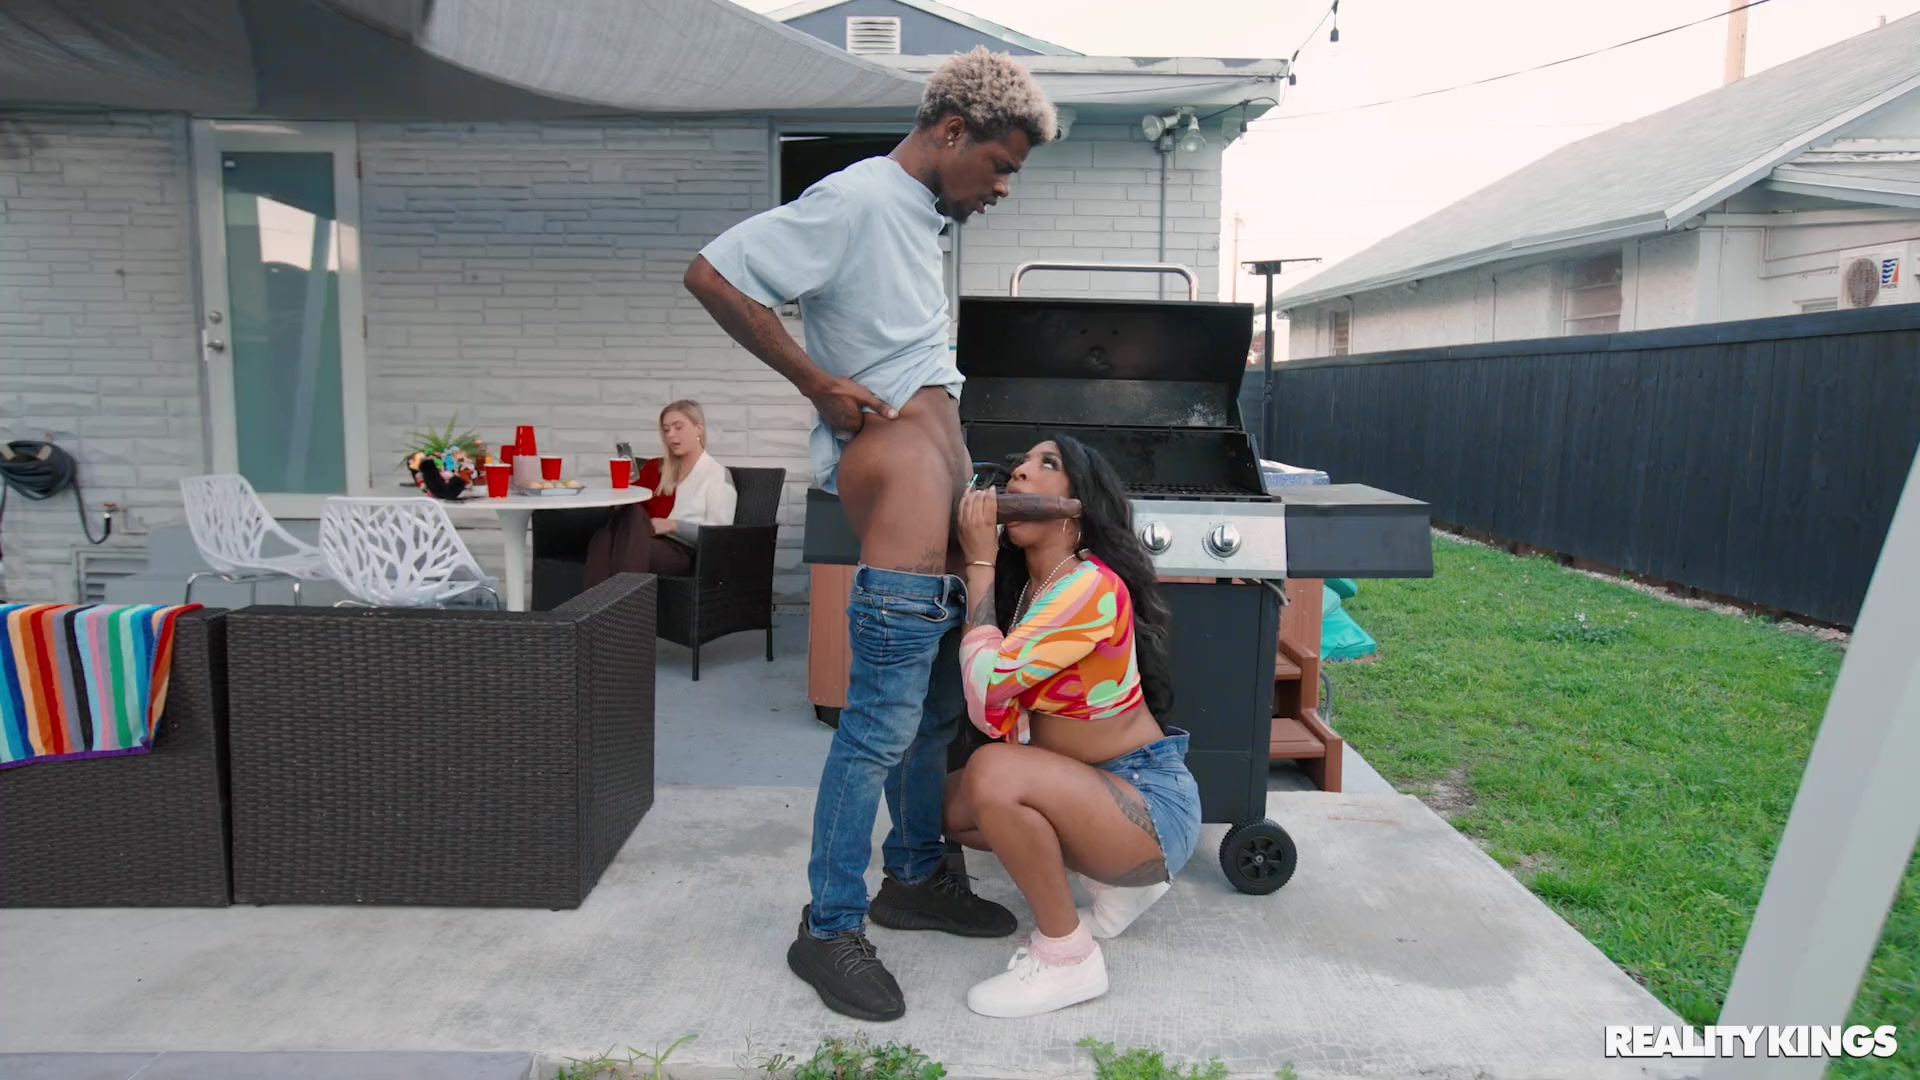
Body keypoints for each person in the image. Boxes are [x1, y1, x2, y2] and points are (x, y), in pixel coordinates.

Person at [682, 47, 1058, 1022]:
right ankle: (828, 926)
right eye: (1000, 166)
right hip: (895, 486)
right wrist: (816, 383)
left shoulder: (915, 217)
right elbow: (713, 274)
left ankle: (917, 877)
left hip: (938, 494)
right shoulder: (856, 199)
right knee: (877, 728)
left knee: (932, 717)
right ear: (951, 132)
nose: (1003, 188)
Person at [945, 435, 1202, 1019]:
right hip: (1089, 789)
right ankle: (1119, 886)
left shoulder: (1089, 586)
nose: (1019, 473)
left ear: (1077, 506)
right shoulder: (1031, 590)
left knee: (993, 773)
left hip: (1149, 805)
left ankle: (1068, 958)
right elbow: (994, 709)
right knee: (950, 809)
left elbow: (986, 692)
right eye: (1018, 463)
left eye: (1046, 464)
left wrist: (978, 564)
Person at [582, 400, 737, 586]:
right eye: (666, 429)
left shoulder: (717, 475)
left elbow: (719, 535)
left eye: (678, 427)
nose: (671, 435)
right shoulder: (658, 468)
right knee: (604, 536)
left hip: (682, 552)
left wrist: (673, 526)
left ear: (698, 428)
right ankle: (604, 604)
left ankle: (615, 603)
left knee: (625, 525)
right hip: (644, 539)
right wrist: (622, 493)